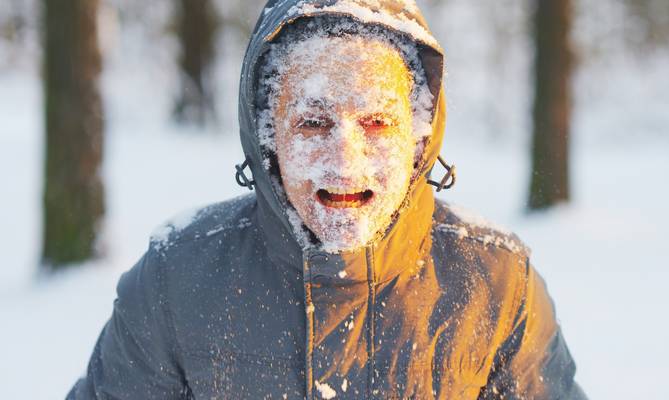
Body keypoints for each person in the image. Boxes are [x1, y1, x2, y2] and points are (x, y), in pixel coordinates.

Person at [67, 1, 586, 399]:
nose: (345, 163)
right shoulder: (176, 281)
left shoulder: (493, 284)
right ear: (267, 135)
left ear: (419, 136)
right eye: (313, 123)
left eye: (377, 123)